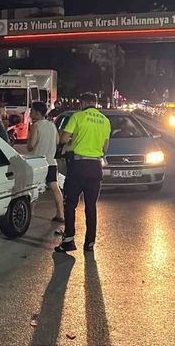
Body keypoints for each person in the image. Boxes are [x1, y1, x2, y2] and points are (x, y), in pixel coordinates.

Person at [55, 92, 111, 253]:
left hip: (78, 167)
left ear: (83, 103)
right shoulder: (105, 121)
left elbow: (63, 139)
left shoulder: (78, 116)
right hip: (95, 168)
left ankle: (69, 240)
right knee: (91, 207)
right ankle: (90, 243)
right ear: (95, 103)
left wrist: (73, 141)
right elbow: (104, 148)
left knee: (70, 204)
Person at [27, 101, 64, 222]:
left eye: (32, 111)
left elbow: (31, 145)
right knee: (54, 187)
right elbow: (58, 141)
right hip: (51, 162)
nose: (30, 113)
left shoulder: (36, 126)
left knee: (34, 188)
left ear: (37, 113)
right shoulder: (52, 125)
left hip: (38, 163)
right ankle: (60, 213)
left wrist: (29, 145)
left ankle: (30, 213)